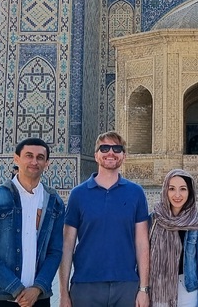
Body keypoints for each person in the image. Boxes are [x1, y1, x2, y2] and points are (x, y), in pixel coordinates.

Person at [59, 131, 150, 307]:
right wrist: (63, 293)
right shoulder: (78, 194)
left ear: (124, 156)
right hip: (86, 285)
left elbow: (142, 242)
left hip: (126, 285)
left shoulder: (136, 193)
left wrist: (143, 289)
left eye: (117, 149)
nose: (111, 153)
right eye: (105, 148)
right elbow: (67, 244)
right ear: (96, 155)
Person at [0, 137, 65, 307]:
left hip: (38, 298)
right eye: (29, 156)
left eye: (40, 157)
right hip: (2, 297)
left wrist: (37, 288)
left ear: (47, 163)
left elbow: (55, 252)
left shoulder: (53, 202)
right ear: (16, 159)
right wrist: (17, 289)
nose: (34, 162)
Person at [149, 169, 198, 307]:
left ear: (190, 192)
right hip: (157, 290)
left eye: (183, 189)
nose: (177, 195)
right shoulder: (154, 220)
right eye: (172, 189)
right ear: (165, 191)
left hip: (187, 291)